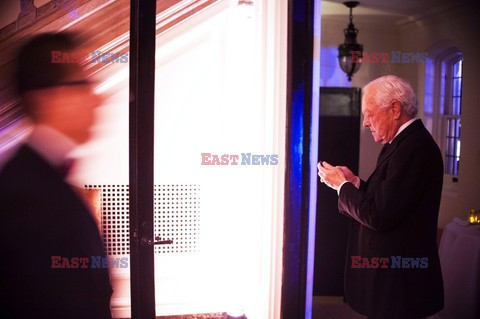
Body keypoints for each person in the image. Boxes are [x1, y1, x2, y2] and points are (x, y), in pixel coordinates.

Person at [0, 32, 112, 318]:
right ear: (48, 97)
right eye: (85, 84)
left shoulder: (51, 182)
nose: (97, 100)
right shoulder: (23, 197)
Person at [318, 75, 444, 319]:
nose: (365, 123)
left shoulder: (414, 147)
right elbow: (387, 200)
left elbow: (378, 215)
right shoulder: (400, 144)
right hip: (393, 282)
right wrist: (354, 183)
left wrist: (343, 186)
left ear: (395, 109)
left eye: (369, 114)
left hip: (400, 286)